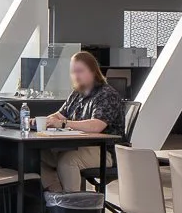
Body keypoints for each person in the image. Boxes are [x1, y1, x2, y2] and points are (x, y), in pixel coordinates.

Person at [40, 51, 127, 194]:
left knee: (68, 161)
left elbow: (96, 126)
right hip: (80, 146)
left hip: (106, 151)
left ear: (93, 71)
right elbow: (60, 115)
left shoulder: (106, 94)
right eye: (73, 72)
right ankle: (57, 198)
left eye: (80, 71)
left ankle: (73, 207)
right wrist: (43, 121)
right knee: (40, 155)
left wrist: (63, 124)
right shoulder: (77, 93)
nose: (76, 76)